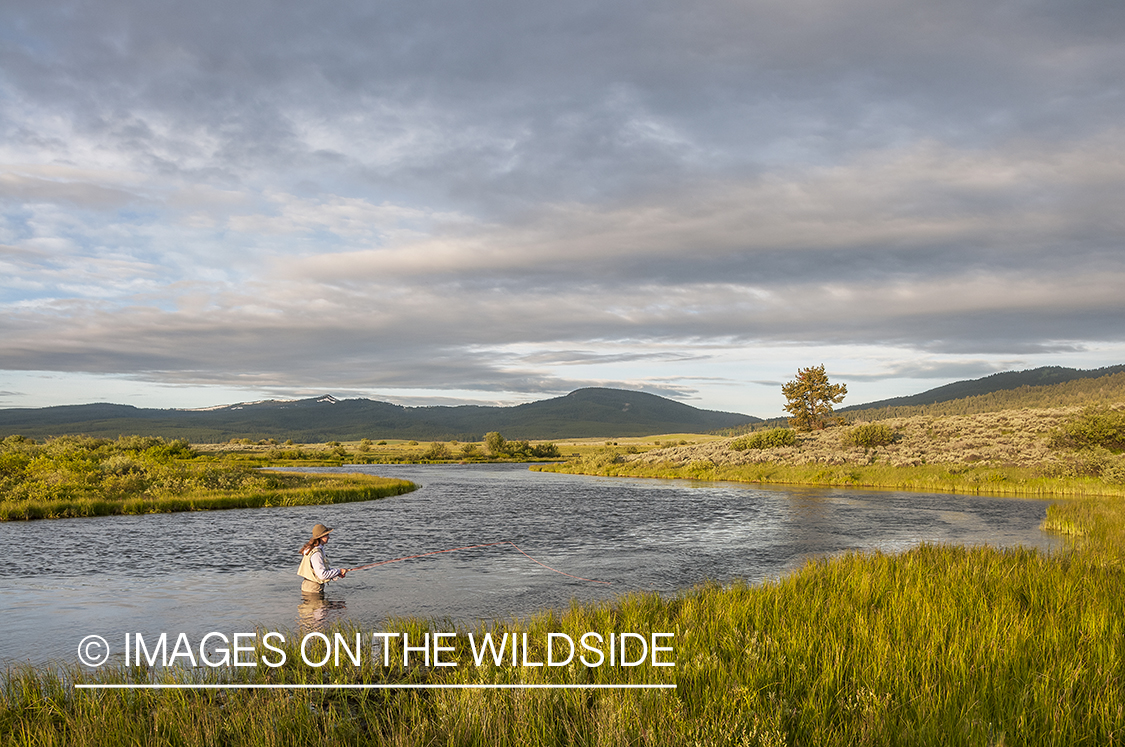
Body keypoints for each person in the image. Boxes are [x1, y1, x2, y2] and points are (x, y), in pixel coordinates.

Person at [297, 523, 349, 594]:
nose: (329, 537)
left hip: (309, 587)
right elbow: (322, 575)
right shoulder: (316, 553)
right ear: (321, 537)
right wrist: (339, 571)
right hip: (313, 589)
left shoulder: (312, 549)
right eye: (327, 535)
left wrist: (336, 573)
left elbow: (318, 571)